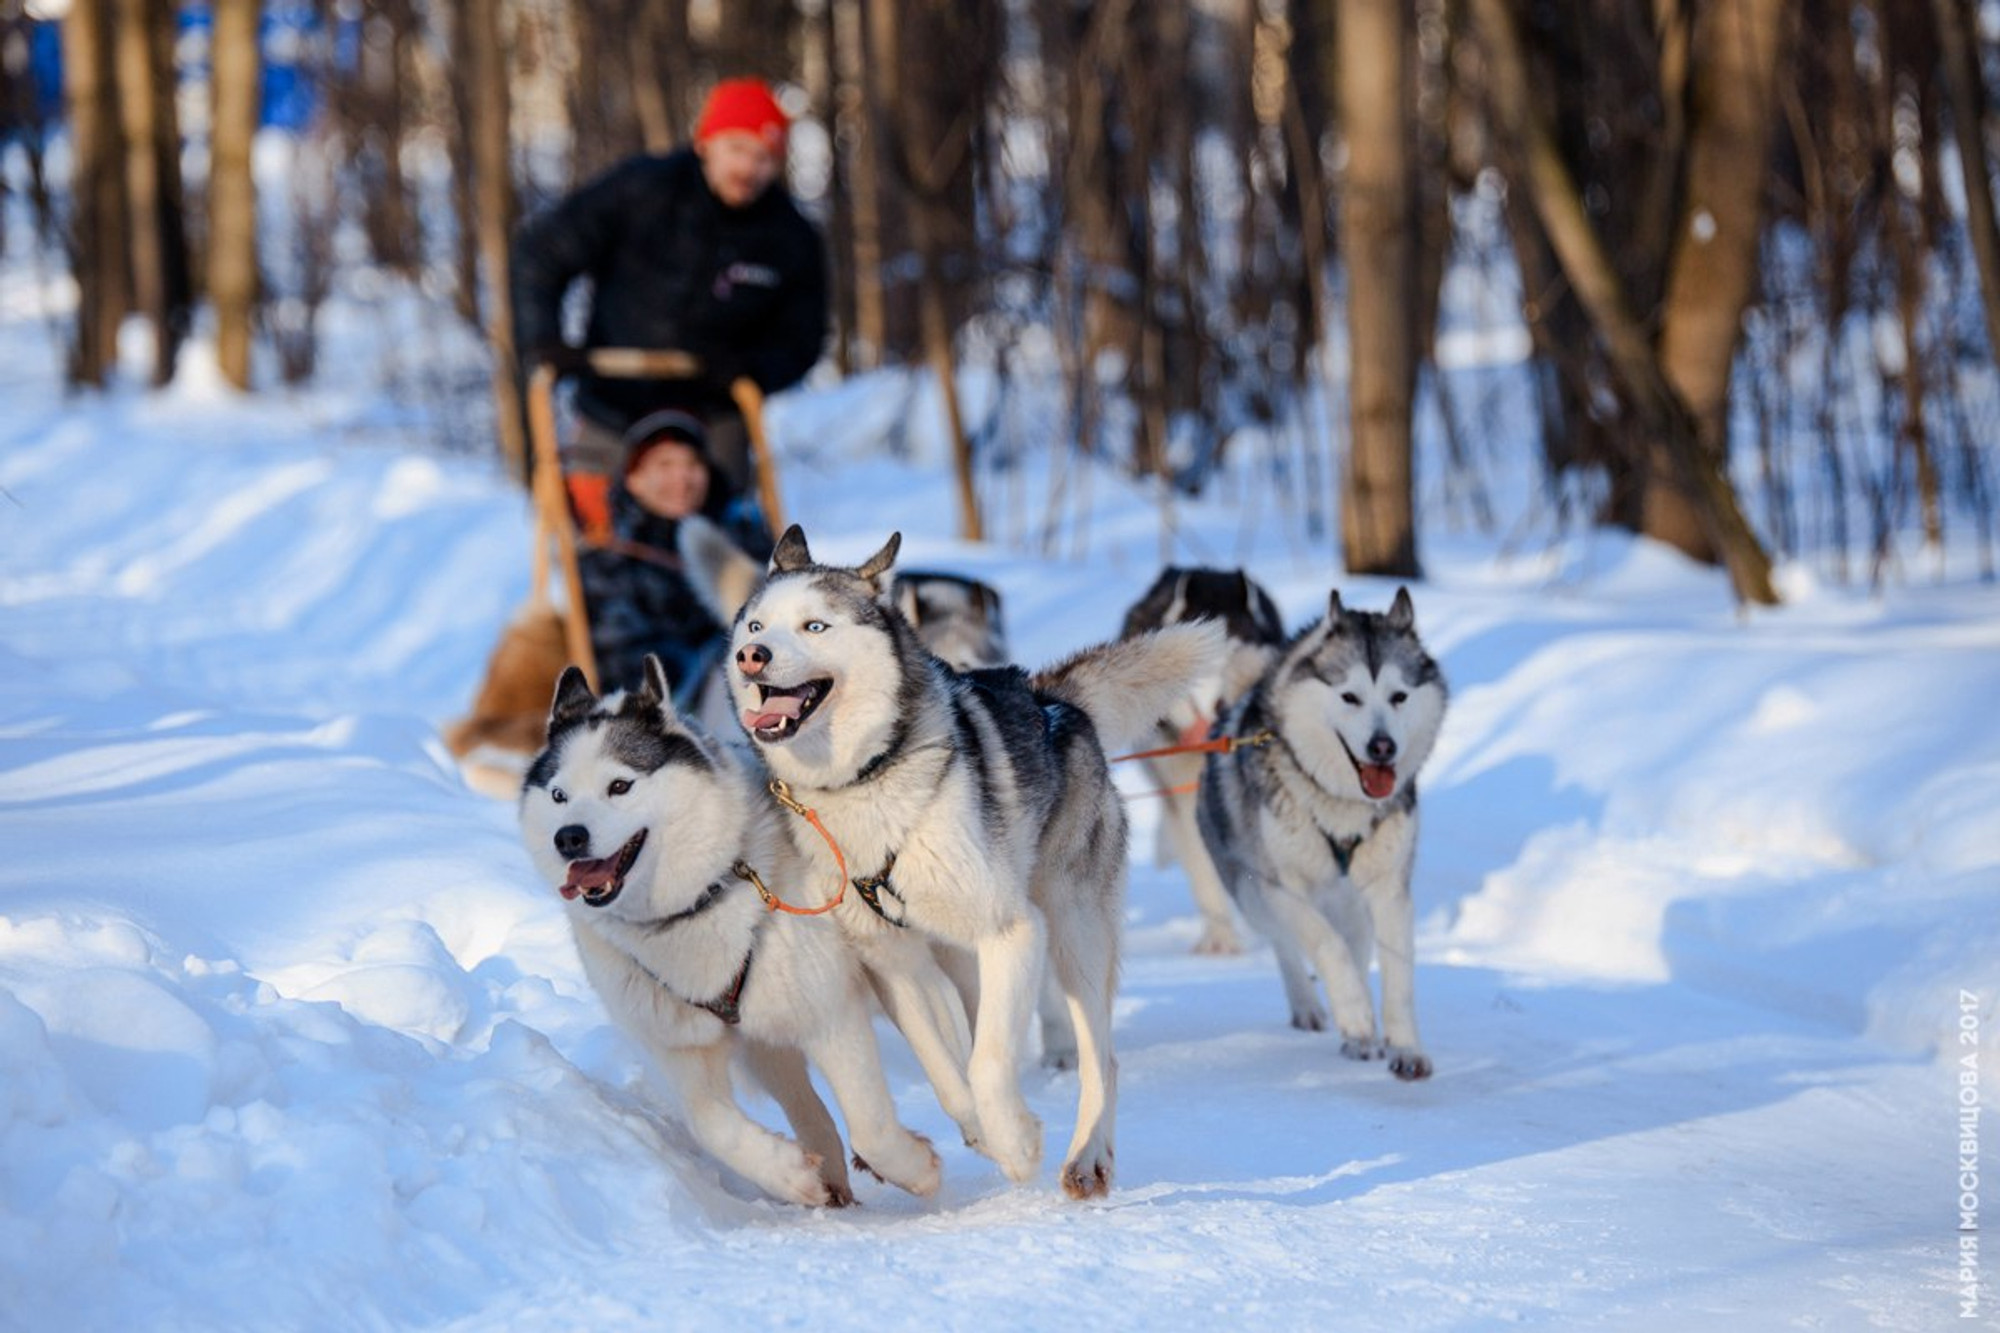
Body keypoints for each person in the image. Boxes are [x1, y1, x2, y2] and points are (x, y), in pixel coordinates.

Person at [509, 77, 828, 503]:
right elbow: (542, 253)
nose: (748, 169)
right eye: (736, 148)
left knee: (724, 542)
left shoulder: (790, 237)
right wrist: (543, 338)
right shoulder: (641, 190)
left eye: (764, 157)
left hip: (714, 413)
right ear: (706, 143)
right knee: (593, 534)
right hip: (613, 398)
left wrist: (753, 368)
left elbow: (802, 339)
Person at [577, 409, 773, 705]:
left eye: (692, 464)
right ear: (634, 479)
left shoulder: (745, 540)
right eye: (664, 465)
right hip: (667, 710)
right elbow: (624, 661)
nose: (681, 478)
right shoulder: (609, 564)